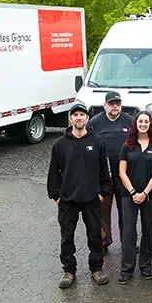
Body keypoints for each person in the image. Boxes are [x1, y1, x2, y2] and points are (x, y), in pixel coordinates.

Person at [47, 103, 112, 288]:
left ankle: (96, 269)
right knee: (67, 236)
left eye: (82, 115)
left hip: (92, 199)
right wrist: (56, 196)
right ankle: (69, 270)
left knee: (95, 236)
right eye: (75, 115)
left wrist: (101, 194)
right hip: (67, 201)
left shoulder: (97, 142)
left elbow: (105, 172)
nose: (78, 118)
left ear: (87, 119)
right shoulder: (60, 144)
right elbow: (53, 174)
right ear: (70, 119)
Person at [117, 111, 152, 284]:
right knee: (129, 232)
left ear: (150, 124)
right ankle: (127, 269)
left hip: (149, 196)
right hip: (129, 196)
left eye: (146, 121)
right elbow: (121, 172)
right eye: (140, 121)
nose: (143, 124)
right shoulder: (127, 146)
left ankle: (146, 265)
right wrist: (133, 193)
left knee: (147, 231)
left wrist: (144, 193)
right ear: (135, 124)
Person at [88, 91, 132, 253]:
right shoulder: (95, 122)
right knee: (102, 211)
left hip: (124, 176)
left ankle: (127, 242)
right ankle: (104, 241)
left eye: (117, 103)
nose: (115, 106)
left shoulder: (129, 120)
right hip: (103, 177)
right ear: (105, 105)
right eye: (111, 103)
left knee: (126, 211)